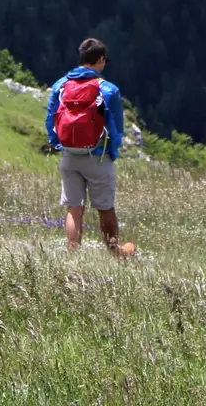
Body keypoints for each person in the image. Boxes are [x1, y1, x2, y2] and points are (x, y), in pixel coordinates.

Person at [45, 37, 129, 254]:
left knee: (74, 208)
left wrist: (58, 144)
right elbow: (116, 127)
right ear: (100, 59)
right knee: (105, 208)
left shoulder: (61, 85)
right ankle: (114, 253)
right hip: (97, 155)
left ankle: (73, 255)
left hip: (69, 156)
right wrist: (112, 150)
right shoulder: (107, 90)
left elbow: (50, 119)